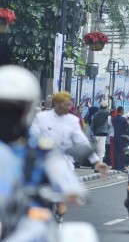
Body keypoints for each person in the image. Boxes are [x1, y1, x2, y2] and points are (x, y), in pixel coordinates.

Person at [0, 65, 88, 241]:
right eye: (2, 108)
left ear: (27, 109)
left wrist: (69, 190)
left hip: (28, 217)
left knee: (79, 235)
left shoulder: (41, 148)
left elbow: (62, 175)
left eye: (14, 109)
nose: (7, 115)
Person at [30, 91, 109, 175]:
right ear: (57, 104)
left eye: (69, 105)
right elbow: (32, 137)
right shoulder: (42, 117)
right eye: (65, 104)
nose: (68, 107)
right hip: (44, 162)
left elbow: (82, 142)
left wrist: (97, 162)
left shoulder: (72, 120)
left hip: (65, 164)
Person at [113, 106, 129, 171]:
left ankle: (116, 166)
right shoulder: (123, 119)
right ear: (121, 111)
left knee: (116, 152)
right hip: (122, 138)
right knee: (124, 152)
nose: (124, 111)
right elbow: (127, 128)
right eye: (123, 110)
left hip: (116, 137)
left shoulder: (114, 119)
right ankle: (122, 166)